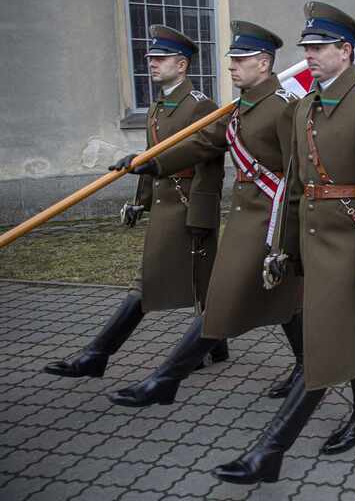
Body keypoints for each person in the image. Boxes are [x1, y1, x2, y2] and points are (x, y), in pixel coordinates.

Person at [212, 2, 355, 484]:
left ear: (345, 50)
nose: (310, 55)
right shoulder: (305, 108)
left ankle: (270, 452)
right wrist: (288, 246)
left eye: (319, 47)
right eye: (307, 48)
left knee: (324, 345)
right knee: (348, 332)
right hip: (317, 244)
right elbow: (296, 184)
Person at [106, 21, 304, 406]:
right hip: (244, 219)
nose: (231, 65)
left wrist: (289, 237)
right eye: (232, 58)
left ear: (263, 63)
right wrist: (150, 163)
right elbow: (202, 143)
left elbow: (297, 173)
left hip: (270, 220)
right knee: (283, 300)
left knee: (224, 298)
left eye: (241, 58)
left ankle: (166, 379)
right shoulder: (243, 107)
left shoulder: (283, 108)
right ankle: (307, 364)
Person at [45, 26, 227, 379]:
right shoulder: (158, 106)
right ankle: (215, 344)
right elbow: (149, 159)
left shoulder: (201, 105)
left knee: (149, 284)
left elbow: (210, 163)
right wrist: (140, 201)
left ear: (182, 64)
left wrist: (202, 214)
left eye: (160, 59)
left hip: (189, 206)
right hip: (164, 206)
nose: (152, 65)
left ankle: (97, 354)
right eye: (150, 59)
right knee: (205, 282)